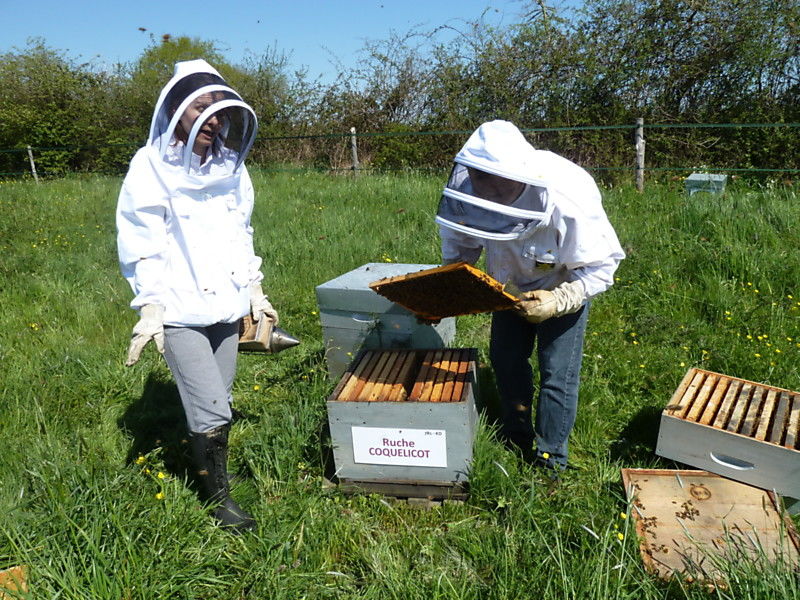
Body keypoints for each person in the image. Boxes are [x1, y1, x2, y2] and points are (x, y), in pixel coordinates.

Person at [116, 59, 278, 532]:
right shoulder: (149, 166)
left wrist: (254, 289)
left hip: (225, 305)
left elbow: (239, 232)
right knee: (211, 406)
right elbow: (141, 240)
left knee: (219, 399)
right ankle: (219, 501)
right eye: (199, 108)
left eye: (217, 110)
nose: (211, 119)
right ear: (177, 110)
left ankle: (209, 466)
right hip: (180, 307)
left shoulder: (231, 165)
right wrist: (151, 305)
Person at [435, 120, 625, 474]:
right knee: (506, 361)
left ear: (514, 177)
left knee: (557, 373)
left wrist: (560, 299)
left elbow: (601, 266)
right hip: (505, 287)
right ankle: (514, 434)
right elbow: (461, 244)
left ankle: (552, 458)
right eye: (478, 182)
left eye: (493, 186)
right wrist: (448, 290)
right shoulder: (473, 190)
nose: (485, 192)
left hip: (562, 285)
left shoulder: (569, 197)